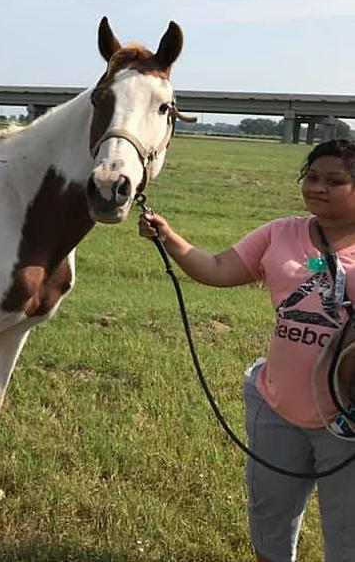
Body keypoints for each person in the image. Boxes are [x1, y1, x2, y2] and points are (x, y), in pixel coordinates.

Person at [138, 138, 355, 562]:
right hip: (276, 408)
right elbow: (217, 269)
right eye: (311, 177)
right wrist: (168, 238)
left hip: (346, 422)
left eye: (335, 180)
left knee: (348, 534)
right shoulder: (280, 232)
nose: (318, 187)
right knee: (269, 520)